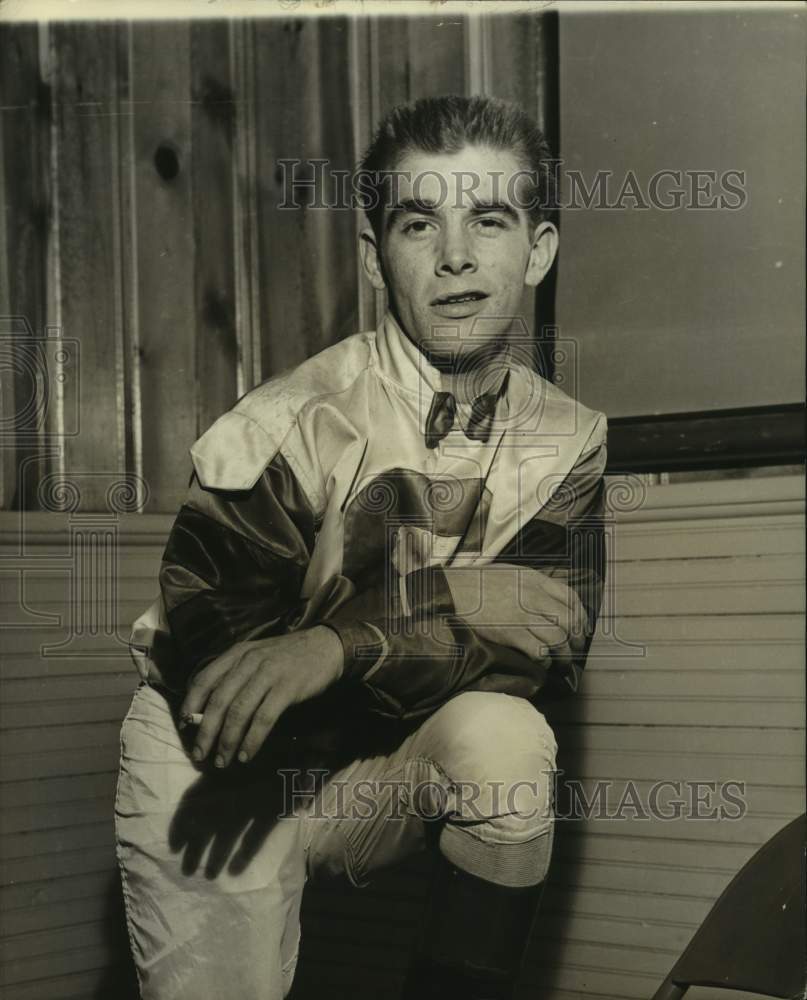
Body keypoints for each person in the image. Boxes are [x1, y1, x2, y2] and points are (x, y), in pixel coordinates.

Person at [115, 94, 608, 1000]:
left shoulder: (570, 436)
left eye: (488, 220)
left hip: (379, 749)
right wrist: (456, 600)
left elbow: (541, 647)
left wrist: (336, 644)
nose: (456, 256)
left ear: (537, 248)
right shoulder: (287, 419)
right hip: (216, 758)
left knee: (506, 741)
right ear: (375, 258)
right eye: (420, 223)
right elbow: (226, 666)